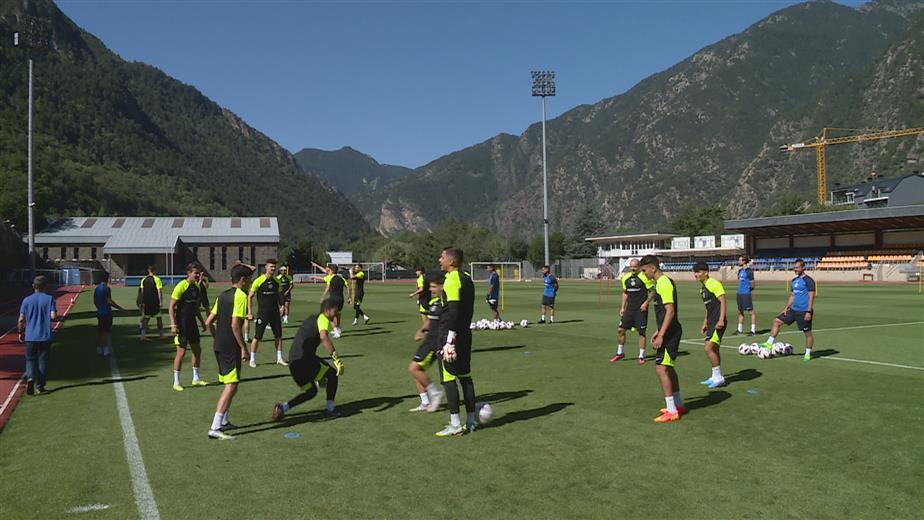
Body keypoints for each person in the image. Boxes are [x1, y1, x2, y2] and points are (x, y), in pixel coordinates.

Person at [271, 299, 345, 421]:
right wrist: (336, 358)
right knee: (332, 375)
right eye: (335, 312)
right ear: (327, 311)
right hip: (304, 360)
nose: (336, 314)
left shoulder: (313, 318)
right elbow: (324, 337)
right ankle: (330, 409)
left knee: (311, 391)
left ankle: (282, 408)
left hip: (294, 362)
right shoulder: (322, 318)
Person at [204, 264, 252, 440]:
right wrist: (243, 348)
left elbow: (209, 322)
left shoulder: (222, 295)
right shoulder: (241, 296)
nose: (250, 283)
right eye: (249, 280)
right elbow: (234, 325)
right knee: (231, 385)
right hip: (231, 347)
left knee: (232, 383)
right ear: (243, 280)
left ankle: (224, 421)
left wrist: (217, 338)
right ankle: (215, 427)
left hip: (219, 345)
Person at [435, 246, 478, 437]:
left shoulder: (452, 280)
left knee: (449, 378)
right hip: (465, 334)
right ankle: (470, 421)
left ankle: (455, 424)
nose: (439, 260)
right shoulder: (467, 278)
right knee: (465, 376)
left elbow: (453, 311)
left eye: (442, 257)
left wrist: (449, 340)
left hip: (450, 335)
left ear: (451, 261)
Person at [639, 255, 684, 423]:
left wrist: (662, 334)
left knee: (661, 369)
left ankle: (672, 411)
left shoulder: (664, 283)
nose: (644, 274)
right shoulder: (663, 282)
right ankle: (677, 405)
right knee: (668, 368)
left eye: (644, 271)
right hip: (669, 330)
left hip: (671, 332)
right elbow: (666, 313)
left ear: (653, 268)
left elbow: (670, 310)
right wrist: (658, 330)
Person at [762, 259, 816, 362]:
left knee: (807, 333)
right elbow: (792, 295)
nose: (795, 269)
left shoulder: (809, 281)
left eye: (797, 267)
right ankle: (769, 343)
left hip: (804, 311)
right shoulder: (794, 281)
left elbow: (811, 297)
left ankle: (808, 353)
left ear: (803, 268)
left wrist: (809, 311)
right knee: (776, 321)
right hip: (793, 310)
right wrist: (786, 308)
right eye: (794, 267)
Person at [407, 272, 446, 412]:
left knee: (414, 368)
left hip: (436, 342)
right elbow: (430, 320)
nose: (431, 289)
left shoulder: (447, 304)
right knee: (417, 370)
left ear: (443, 287)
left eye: (434, 287)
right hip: (428, 340)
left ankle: (435, 393)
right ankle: (424, 402)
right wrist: (421, 330)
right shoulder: (434, 303)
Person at [168, 263, 208, 391]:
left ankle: (195, 378)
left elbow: (195, 307)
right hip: (182, 324)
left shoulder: (196, 287)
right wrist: (173, 324)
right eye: (195, 273)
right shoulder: (181, 286)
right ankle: (176, 382)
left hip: (192, 324)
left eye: (198, 273)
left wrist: (202, 321)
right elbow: (171, 307)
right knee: (181, 352)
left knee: (197, 350)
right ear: (188, 273)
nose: (198, 275)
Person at [18, 275, 57, 395]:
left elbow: (21, 319)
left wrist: (20, 332)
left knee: (30, 359)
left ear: (33, 286)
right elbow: (53, 316)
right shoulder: (50, 299)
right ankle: (40, 386)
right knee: (43, 360)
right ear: (45, 286)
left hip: (30, 336)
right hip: (45, 335)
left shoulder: (26, 300)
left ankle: (30, 377)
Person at [611, 258, 653, 364]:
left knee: (641, 332)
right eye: (631, 267)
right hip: (629, 309)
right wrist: (622, 307)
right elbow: (625, 293)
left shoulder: (644, 277)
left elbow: (652, 291)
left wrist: (646, 303)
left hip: (640, 310)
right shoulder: (625, 278)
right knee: (621, 330)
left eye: (635, 267)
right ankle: (620, 353)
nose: (633, 269)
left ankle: (641, 356)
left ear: (638, 267)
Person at [247, 259, 286, 368]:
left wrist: (282, 306)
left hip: (275, 313)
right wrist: (249, 312)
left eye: (274, 267)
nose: (273, 269)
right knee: (257, 336)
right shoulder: (258, 281)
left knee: (278, 335)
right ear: (266, 267)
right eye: (271, 266)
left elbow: (280, 295)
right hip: (263, 313)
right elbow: (250, 296)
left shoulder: (277, 281)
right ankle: (252, 359)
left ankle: (279, 358)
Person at [693, 262, 727, 388]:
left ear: (706, 272)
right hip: (711, 321)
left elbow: (722, 301)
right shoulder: (703, 288)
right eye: (695, 272)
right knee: (714, 348)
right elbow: (708, 307)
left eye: (698, 272)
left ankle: (718, 377)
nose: (696, 274)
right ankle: (715, 376)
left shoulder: (713, 283)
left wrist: (721, 319)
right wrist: (705, 322)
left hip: (718, 321)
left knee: (708, 347)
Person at [312, 262, 350, 338]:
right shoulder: (342, 278)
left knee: (329, 315)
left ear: (332, 270)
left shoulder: (330, 277)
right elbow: (348, 286)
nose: (327, 270)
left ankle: (336, 331)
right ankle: (338, 328)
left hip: (333, 299)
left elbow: (327, 286)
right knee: (337, 313)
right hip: (341, 299)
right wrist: (349, 297)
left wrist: (323, 297)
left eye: (329, 269)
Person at [94, 272, 123, 357]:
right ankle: (105, 351)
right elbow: (109, 301)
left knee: (100, 331)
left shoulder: (97, 289)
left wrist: (99, 307)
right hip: (106, 313)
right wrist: (120, 308)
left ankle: (99, 350)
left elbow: (95, 301)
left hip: (100, 312)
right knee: (105, 332)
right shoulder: (106, 288)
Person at [137, 265, 164, 341]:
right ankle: (161, 335)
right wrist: (160, 302)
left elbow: (142, 292)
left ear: (148, 271)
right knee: (159, 318)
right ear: (155, 271)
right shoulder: (157, 279)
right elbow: (159, 291)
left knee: (146, 318)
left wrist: (141, 302)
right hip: (155, 302)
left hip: (147, 302)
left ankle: (143, 336)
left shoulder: (143, 279)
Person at [736, 256, 757, 335]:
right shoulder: (740, 271)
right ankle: (739, 329)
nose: (739, 261)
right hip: (739, 293)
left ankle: (753, 330)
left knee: (751, 312)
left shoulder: (749, 271)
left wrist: (749, 291)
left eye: (740, 260)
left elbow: (752, 283)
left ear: (744, 261)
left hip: (746, 294)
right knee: (740, 312)